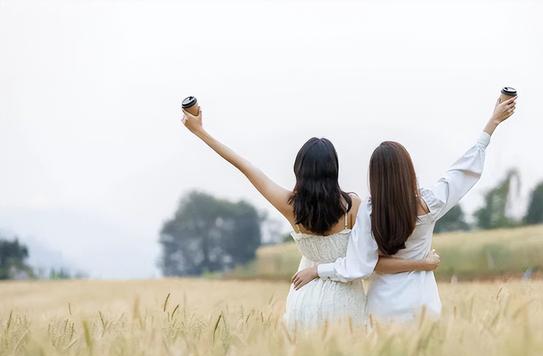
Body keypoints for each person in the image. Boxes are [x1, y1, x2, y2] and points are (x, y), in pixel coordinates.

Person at [181, 108, 439, 330]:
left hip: (302, 296)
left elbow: (245, 166)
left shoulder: (289, 206)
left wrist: (199, 131)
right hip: (345, 302)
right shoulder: (354, 207)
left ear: (299, 169)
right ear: (334, 170)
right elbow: (375, 256)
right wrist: (422, 262)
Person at [291, 95, 517, 323]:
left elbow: (357, 266)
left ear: (374, 176)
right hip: (422, 303)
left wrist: (317, 270)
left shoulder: (369, 212)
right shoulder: (431, 203)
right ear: (408, 169)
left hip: (382, 307)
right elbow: (463, 171)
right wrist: (493, 122)